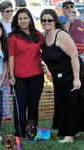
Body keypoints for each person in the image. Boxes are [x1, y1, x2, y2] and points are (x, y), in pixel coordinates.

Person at [40, 9, 84, 143]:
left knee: (72, 104)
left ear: (55, 21)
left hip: (73, 74)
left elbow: (74, 56)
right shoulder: (44, 35)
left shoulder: (61, 35)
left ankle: (69, 136)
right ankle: (72, 132)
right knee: (64, 104)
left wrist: (76, 79)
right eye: (44, 20)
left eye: (49, 20)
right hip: (59, 78)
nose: (46, 22)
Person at [8, 8, 44, 138]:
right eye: (20, 18)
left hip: (37, 76)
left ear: (30, 19)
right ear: (17, 21)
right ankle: (20, 133)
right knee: (20, 107)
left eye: (25, 18)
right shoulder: (12, 37)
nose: (23, 20)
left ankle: (32, 132)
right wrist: (11, 76)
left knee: (33, 105)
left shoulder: (38, 35)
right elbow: (11, 57)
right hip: (19, 78)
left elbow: (46, 52)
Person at [0, 0, 14, 120]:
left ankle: (15, 110)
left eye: (11, 11)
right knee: (4, 86)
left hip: (15, 58)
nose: (10, 13)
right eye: (7, 11)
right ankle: (5, 113)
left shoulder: (14, 24)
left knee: (15, 84)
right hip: (3, 58)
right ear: (1, 12)